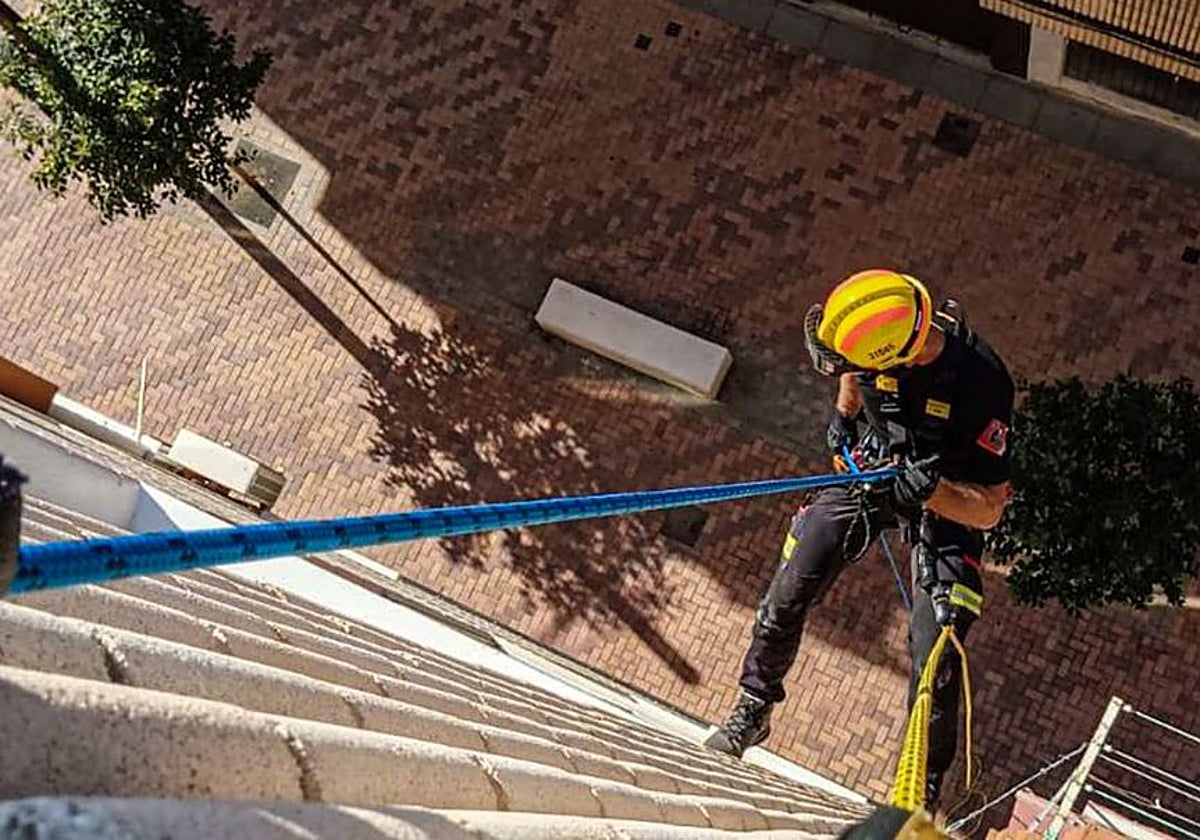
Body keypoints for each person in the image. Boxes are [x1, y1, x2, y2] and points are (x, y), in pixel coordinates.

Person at [704, 269, 1014, 810]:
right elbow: (852, 373)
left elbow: (989, 509)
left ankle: (919, 793)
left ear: (897, 356)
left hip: (946, 496)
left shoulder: (982, 386)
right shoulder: (875, 343)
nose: (842, 370)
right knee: (788, 588)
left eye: (851, 364)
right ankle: (754, 707)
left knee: (937, 649)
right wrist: (844, 419)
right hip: (874, 467)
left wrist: (934, 494)